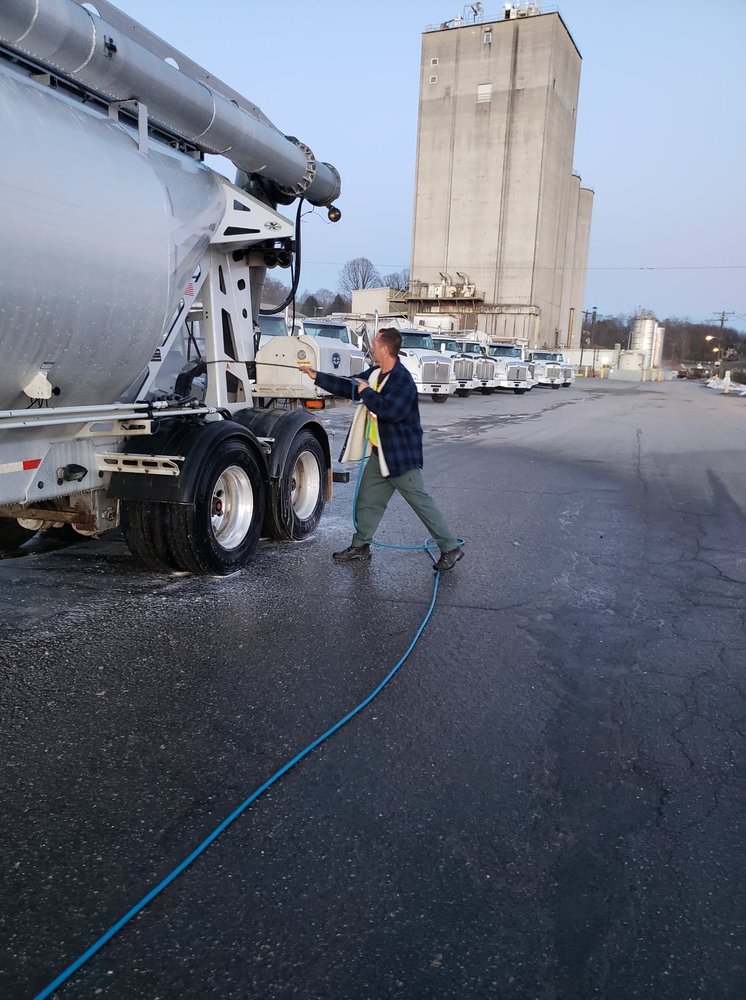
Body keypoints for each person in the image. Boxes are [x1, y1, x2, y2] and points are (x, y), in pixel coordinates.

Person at [298, 327, 464, 572]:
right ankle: (361, 547)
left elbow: (390, 410)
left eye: (375, 344)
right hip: (380, 455)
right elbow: (350, 385)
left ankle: (450, 548)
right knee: (368, 501)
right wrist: (317, 376)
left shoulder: (402, 380)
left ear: (385, 349)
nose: (372, 348)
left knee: (421, 503)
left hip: (400, 457)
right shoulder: (376, 374)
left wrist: (366, 392)